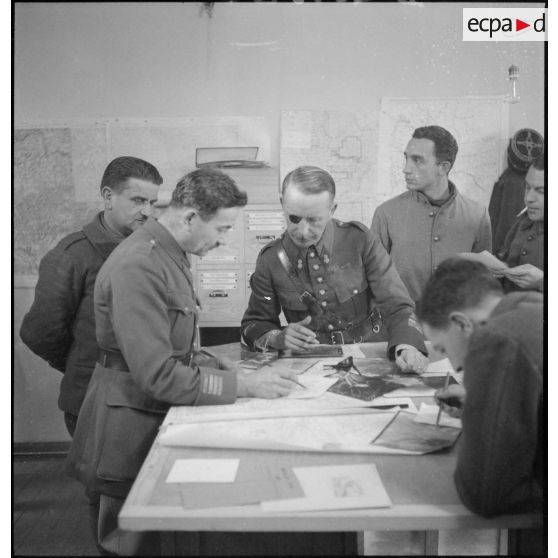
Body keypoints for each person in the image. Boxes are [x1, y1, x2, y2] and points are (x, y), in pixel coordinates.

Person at [65, 168, 299, 555]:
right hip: (126, 430)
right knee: (131, 545)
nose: (225, 241)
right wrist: (243, 386)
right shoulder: (139, 264)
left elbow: (177, 348)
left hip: (146, 415)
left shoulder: (168, 254)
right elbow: (157, 374)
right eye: (222, 229)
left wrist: (226, 368)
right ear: (190, 217)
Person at [20, 156, 163, 437]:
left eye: (152, 202)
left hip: (145, 395)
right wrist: (81, 364)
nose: (147, 211)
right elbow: (39, 332)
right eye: (137, 200)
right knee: (106, 482)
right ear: (108, 197)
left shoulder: (152, 248)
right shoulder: (72, 254)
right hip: (94, 400)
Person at [241, 165, 428, 373]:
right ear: (282, 204)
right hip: (309, 363)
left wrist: (407, 346)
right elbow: (255, 323)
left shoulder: (359, 240)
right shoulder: (271, 259)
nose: (303, 231)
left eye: (314, 219)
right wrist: (277, 338)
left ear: (332, 210)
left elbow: (397, 304)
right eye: (294, 218)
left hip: (370, 352)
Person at [417, 258, 543, 518]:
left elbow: (486, 494)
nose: (454, 365)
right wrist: (483, 401)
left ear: (462, 324)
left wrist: (483, 413)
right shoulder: (534, 307)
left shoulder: (499, 337)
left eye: (442, 348)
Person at [371, 125, 492, 304]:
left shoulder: (477, 215)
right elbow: (374, 279)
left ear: (443, 167)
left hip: (456, 324)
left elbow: (484, 281)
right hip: (402, 326)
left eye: (417, 160)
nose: (406, 168)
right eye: (406, 158)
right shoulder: (386, 214)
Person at [497, 152, 545, 292]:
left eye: (541, 191)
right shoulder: (522, 222)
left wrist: (541, 282)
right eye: (527, 187)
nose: (529, 198)